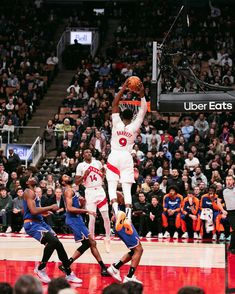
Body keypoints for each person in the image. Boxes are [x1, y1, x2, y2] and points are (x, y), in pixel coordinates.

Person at [106, 78, 147, 232]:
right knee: (127, 189)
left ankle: (117, 214)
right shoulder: (135, 126)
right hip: (126, 157)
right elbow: (143, 110)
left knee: (111, 185)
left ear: (121, 115)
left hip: (114, 155)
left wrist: (123, 88)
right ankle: (128, 217)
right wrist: (142, 94)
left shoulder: (116, 123)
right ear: (132, 117)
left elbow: (114, 104)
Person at [23, 177, 81, 283]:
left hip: (40, 222)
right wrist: (49, 207)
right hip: (32, 224)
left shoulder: (34, 193)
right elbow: (33, 210)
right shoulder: (28, 192)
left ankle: (68, 273)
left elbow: (27, 210)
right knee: (53, 241)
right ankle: (41, 268)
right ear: (27, 182)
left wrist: (43, 213)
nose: (33, 177)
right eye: (30, 177)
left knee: (58, 244)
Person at [59, 174, 110, 276]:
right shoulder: (68, 191)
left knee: (91, 243)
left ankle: (67, 264)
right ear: (63, 182)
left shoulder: (72, 190)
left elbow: (76, 206)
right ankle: (102, 267)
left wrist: (82, 203)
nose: (67, 176)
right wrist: (86, 210)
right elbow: (69, 208)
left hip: (77, 219)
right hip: (73, 220)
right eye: (64, 176)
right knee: (90, 243)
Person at [75, 149, 111, 252]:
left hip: (100, 190)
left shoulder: (98, 163)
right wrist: (84, 175)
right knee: (92, 218)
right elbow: (76, 182)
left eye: (89, 152)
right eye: (86, 152)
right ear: (83, 155)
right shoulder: (80, 166)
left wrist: (103, 173)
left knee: (106, 216)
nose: (88, 153)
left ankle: (107, 238)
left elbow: (102, 176)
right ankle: (92, 241)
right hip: (89, 192)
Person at [107, 191, 143, 284]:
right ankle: (129, 277)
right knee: (139, 250)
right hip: (123, 224)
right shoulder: (117, 193)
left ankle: (115, 267)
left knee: (134, 250)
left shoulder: (118, 195)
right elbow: (122, 201)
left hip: (122, 223)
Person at [218, 175, 235, 253]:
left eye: (230, 179)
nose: (228, 181)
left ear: (233, 181)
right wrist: (222, 210)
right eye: (227, 179)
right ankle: (231, 248)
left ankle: (232, 247)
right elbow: (218, 202)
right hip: (230, 212)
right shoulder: (223, 191)